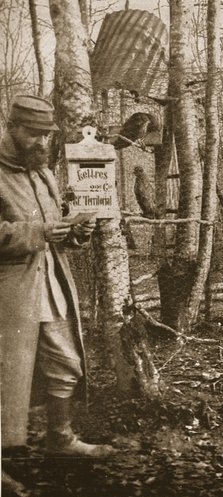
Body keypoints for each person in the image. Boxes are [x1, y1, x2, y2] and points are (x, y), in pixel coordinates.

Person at [0, 95, 114, 457]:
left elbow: (56, 225)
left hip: (50, 283)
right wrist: (38, 233)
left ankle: (60, 438)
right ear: (11, 128)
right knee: (8, 374)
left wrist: (78, 229)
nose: (42, 142)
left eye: (46, 135)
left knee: (65, 360)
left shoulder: (43, 171)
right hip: (10, 291)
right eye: (33, 133)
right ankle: (7, 457)